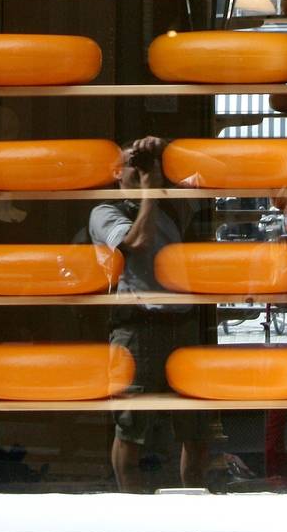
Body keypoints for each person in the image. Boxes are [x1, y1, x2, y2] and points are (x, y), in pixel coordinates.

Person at [89, 136, 226, 492]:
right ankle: (131, 503)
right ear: (117, 173)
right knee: (132, 427)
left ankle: (192, 494)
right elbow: (137, 243)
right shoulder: (105, 212)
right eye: (134, 161)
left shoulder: (173, 204)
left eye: (144, 162)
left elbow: (217, 170)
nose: (142, 167)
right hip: (139, 329)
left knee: (196, 429)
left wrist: (167, 150)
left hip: (182, 325)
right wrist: (150, 189)